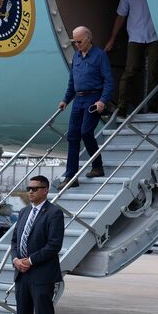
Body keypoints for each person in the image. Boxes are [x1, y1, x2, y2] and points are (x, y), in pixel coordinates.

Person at [105, 0, 158, 116]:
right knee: (130, 71)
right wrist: (112, 38)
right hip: (135, 37)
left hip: (154, 36)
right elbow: (121, 16)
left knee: (153, 71)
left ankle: (152, 107)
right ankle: (122, 106)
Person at [56, 26, 114, 191]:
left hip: (93, 98)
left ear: (89, 38)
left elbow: (109, 81)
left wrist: (103, 100)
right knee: (72, 136)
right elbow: (72, 81)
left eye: (79, 41)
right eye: (74, 41)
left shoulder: (100, 55)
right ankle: (71, 176)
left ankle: (97, 165)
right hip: (78, 98)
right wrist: (66, 99)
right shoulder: (76, 56)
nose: (76, 44)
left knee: (85, 132)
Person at [11, 175, 65, 314]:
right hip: (21, 274)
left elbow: (54, 245)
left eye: (35, 189)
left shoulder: (54, 213)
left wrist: (30, 260)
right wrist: (15, 260)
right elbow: (15, 241)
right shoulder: (23, 212)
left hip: (42, 275)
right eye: (28, 188)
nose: (30, 192)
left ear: (45, 190)